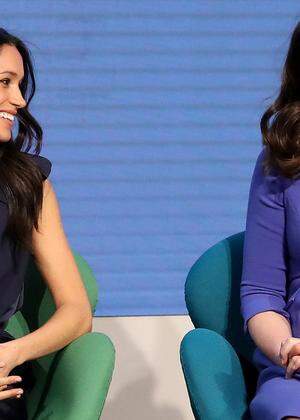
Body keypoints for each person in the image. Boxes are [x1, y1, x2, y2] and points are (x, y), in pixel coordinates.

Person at [0, 28, 93, 419]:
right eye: (5, 82)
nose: (19, 100)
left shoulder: (28, 185)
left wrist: (12, 353)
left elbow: (77, 311)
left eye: (20, 85)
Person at [240, 21, 300, 420]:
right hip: (297, 371)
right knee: (280, 405)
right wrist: (287, 348)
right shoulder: (281, 162)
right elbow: (260, 293)